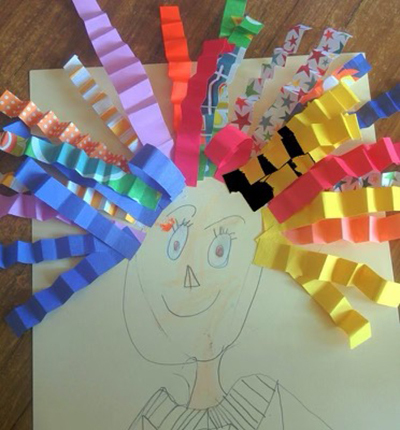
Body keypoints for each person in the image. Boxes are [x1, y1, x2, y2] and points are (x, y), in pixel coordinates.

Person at [123, 178, 333, 430]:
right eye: (176, 245)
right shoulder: (155, 420)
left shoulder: (263, 401)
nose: (191, 275)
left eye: (218, 251)